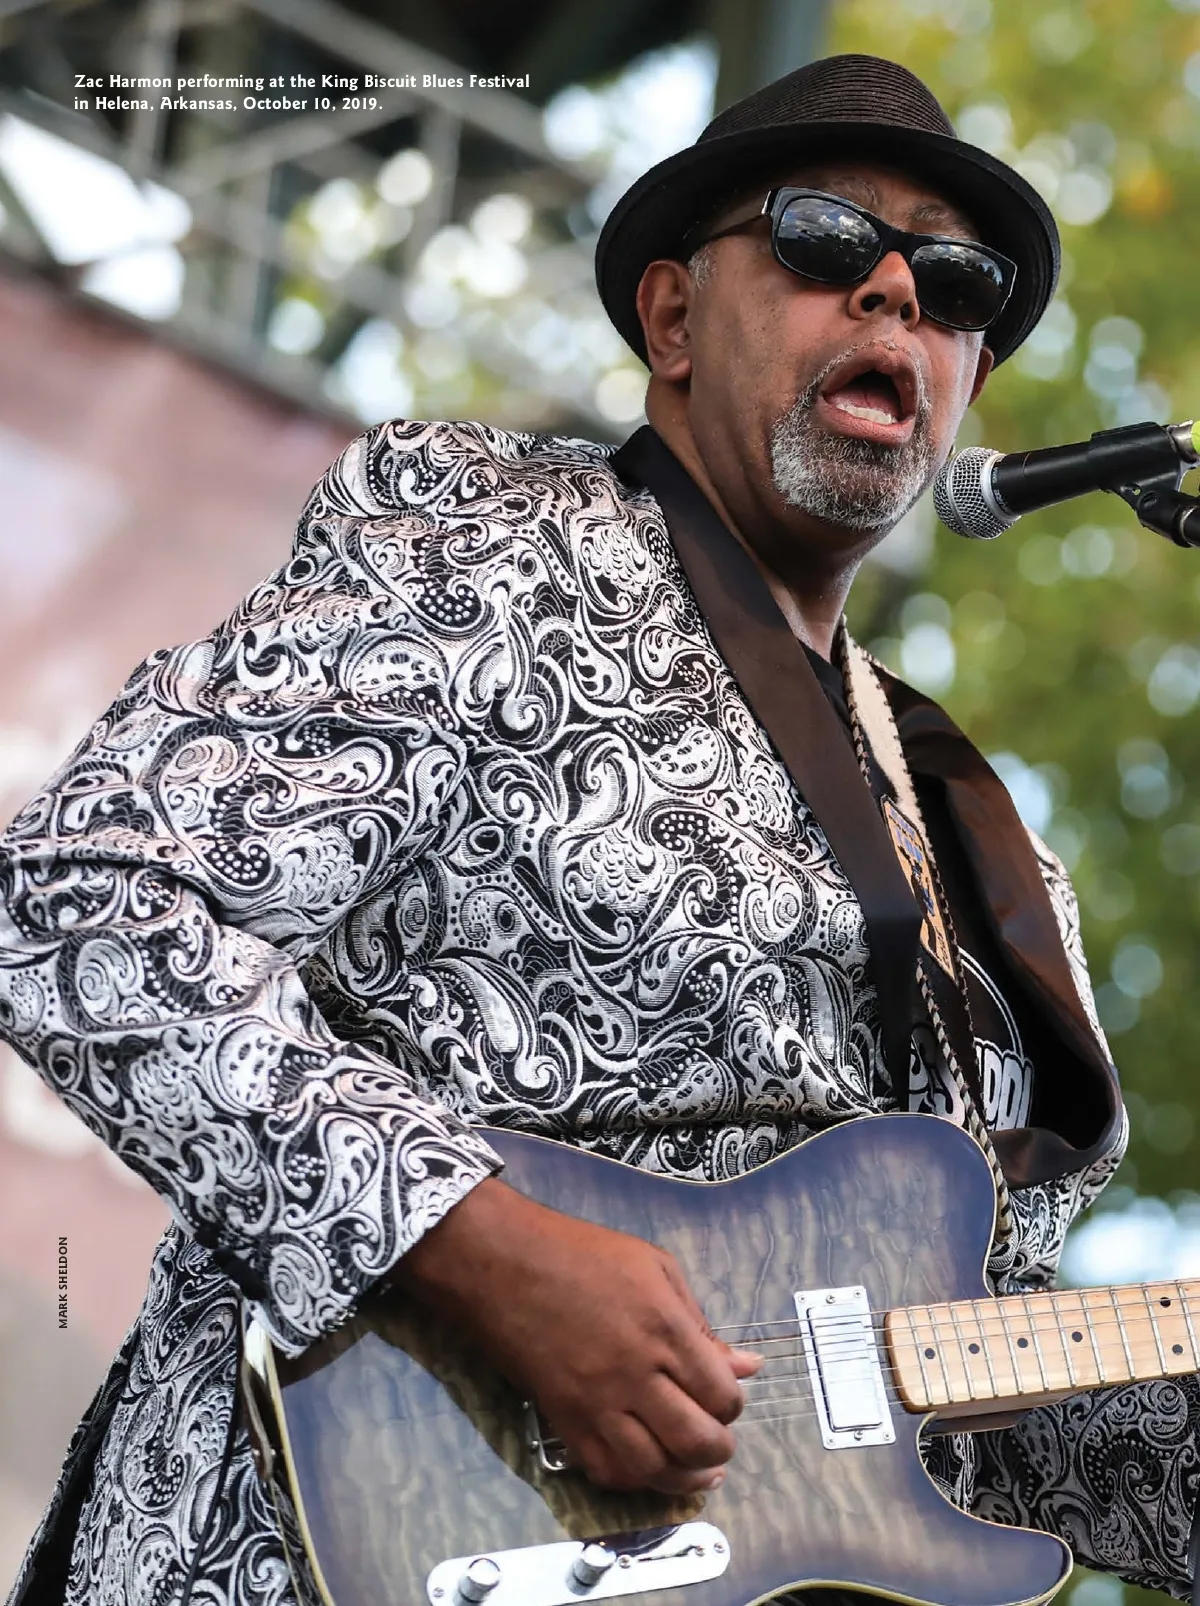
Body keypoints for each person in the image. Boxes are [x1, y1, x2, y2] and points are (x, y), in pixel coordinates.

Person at [1, 50, 1196, 1606]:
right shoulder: (488, 553)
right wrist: (473, 1243)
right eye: (829, 237)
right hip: (312, 1550)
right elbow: (82, 894)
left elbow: (971, 1403)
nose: (899, 290)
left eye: (958, 283)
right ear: (674, 320)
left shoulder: (985, 854)